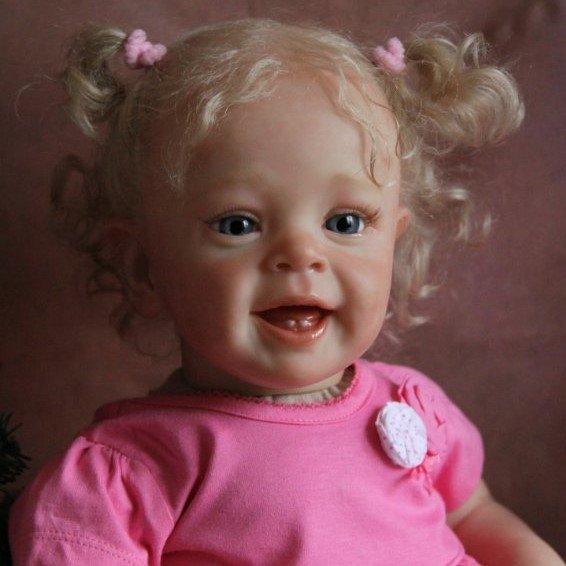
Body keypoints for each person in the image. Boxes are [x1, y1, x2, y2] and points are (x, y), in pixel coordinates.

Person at [9, 18, 563, 565]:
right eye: (238, 225)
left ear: (392, 246)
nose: (301, 255)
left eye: (345, 223)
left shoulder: (411, 404)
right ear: (144, 266)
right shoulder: (131, 472)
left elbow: (471, 514)